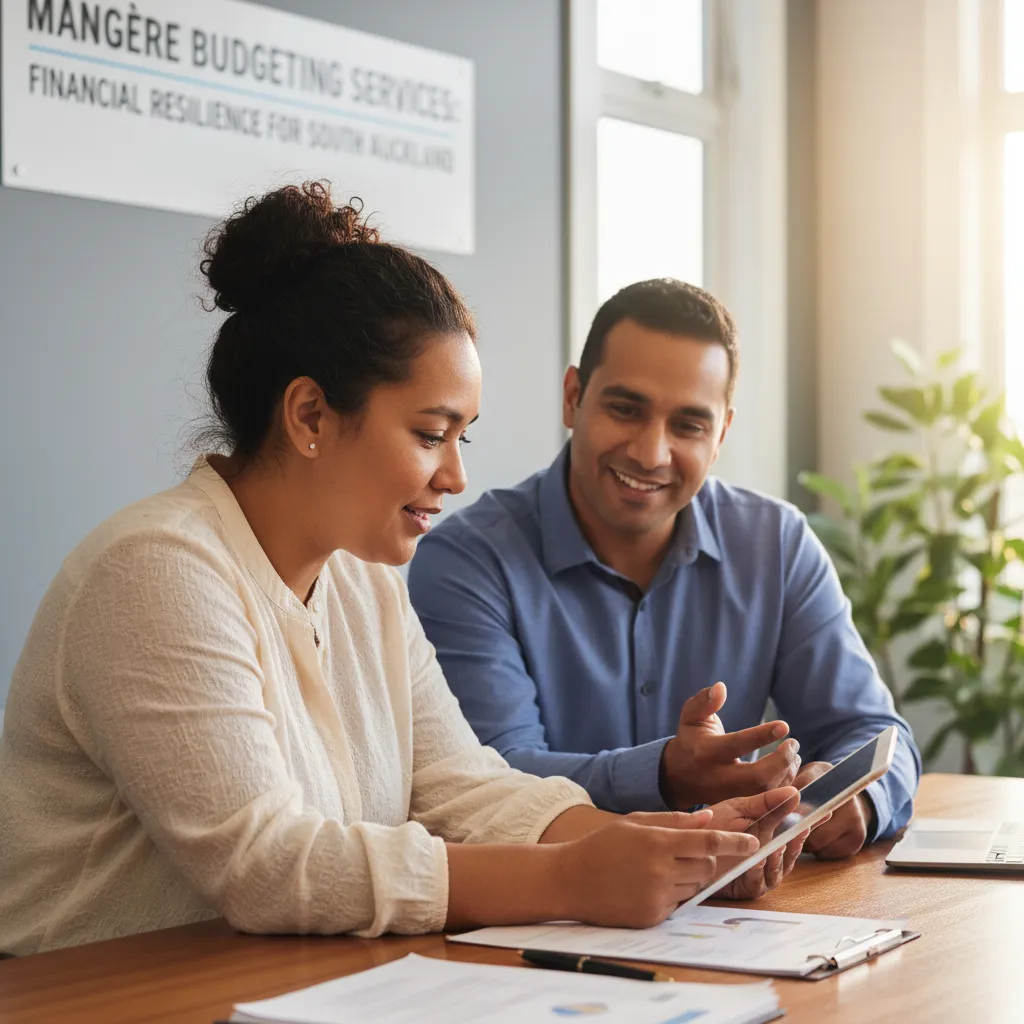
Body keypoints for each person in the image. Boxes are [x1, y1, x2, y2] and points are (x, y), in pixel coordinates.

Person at [0, 188, 804, 957]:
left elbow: (460, 784)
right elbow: (270, 867)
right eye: (430, 434)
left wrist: (668, 846)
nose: (455, 476)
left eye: (465, 439)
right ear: (310, 415)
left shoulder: (361, 578)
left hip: (281, 987)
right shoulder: (157, 571)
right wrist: (567, 876)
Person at [409, 278, 922, 859]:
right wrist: (663, 774)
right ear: (573, 398)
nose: (651, 453)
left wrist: (848, 799)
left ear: (722, 432)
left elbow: (878, 734)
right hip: (540, 915)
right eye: (627, 410)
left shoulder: (776, 544)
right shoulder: (466, 560)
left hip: (739, 916)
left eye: (689, 426)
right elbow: (489, 778)